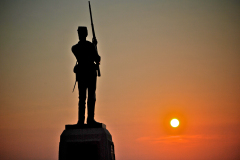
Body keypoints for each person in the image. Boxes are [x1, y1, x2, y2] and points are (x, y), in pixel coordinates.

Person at [72, 26, 101, 125]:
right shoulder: (89, 46)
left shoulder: (75, 48)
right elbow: (97, 59)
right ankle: (89, 119)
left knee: (83, 98)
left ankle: (82, 120)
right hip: (90, 73)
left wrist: (94, 45)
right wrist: (94, 46)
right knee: (90, 97)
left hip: (82, 74)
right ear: (86, 34)